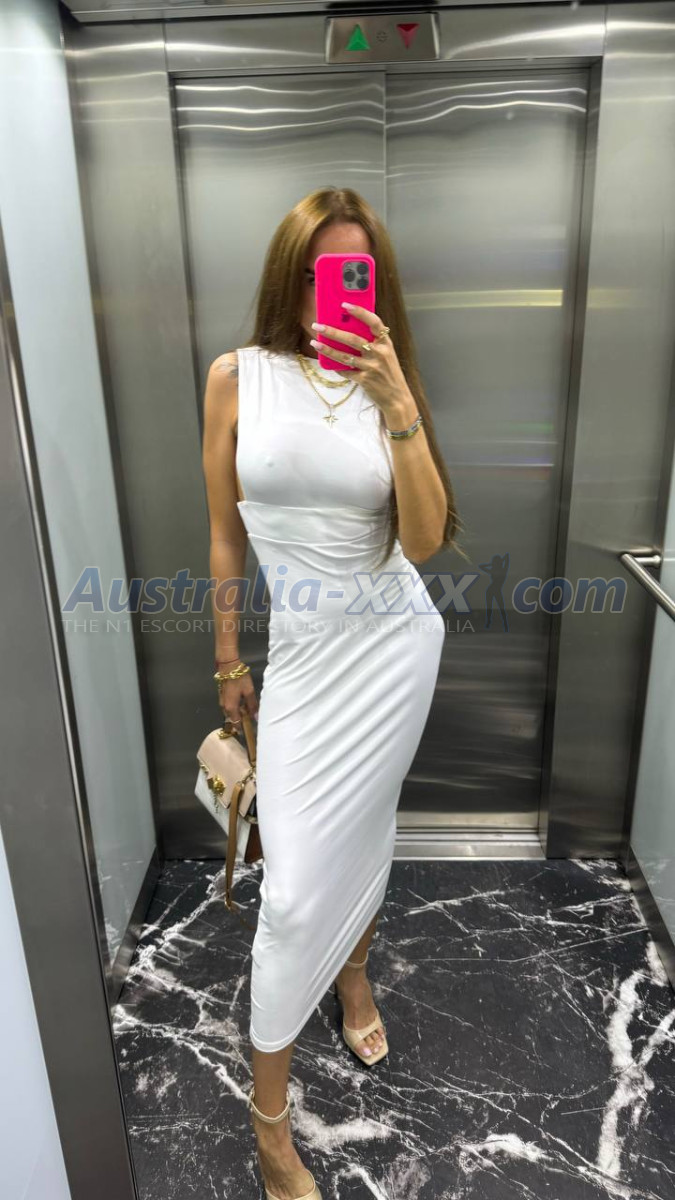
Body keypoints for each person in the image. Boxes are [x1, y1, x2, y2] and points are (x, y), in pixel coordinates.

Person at [201, 186, 462, 1200]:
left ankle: (352, 975)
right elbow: (225, 534)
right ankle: (271, 1133)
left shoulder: (388, 383)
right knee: (291, 893)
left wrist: (397, 403)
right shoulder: (236, 379)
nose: (343, 292)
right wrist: (229, 661)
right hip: (305, 665)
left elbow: (425, 541)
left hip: (393, 649)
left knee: (364, 834)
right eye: (326, 271)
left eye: (361, 273)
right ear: (294, 275)